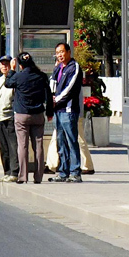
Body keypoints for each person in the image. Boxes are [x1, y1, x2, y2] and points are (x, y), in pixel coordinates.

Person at [6, 52, 53, 184]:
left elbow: (8, 83)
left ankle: (23, 176)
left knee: (23, 145)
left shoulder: (18, 76)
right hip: (38, 114)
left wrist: (11, 69)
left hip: (21, 115)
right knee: (38, 146)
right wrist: (49, 112)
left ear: (20, 65)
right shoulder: (41, 76)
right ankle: (38, 177)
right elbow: (48, 95)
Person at [49, 42, 83, 183]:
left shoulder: (73, 67)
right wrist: (50, 97)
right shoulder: (58, 68)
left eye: (62, 52)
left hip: (68, 110)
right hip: (58, 111)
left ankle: (75, 172)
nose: (60, 55)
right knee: (60, 141)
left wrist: (56, 99)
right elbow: (51, 83)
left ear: (69, 52)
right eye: (57, 52)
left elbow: (70, 88)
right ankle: (63, 172)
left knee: (71, 141)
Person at [0, 55, 19, 182]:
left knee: (13, 146)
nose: (4, 66)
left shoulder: (15, 80)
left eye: (7, 64)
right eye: (2, 64)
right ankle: (6, 171)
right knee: (3, 147)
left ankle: (14, 172)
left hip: (9, 117)